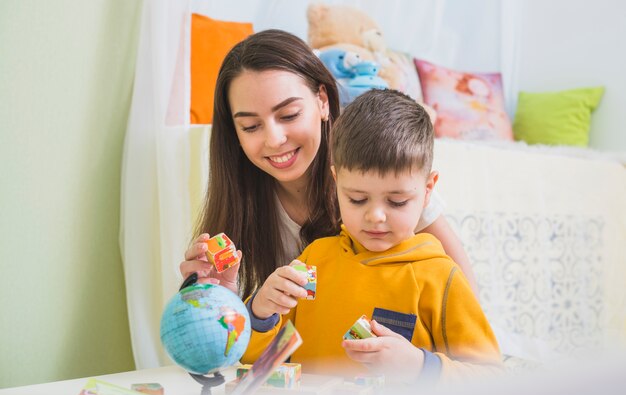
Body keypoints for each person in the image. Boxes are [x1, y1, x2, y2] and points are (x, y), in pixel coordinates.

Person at [179, 29, 479, 301]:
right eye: (250, 126)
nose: (274, 139)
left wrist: (423, 362)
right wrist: (218, 299)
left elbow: (464, 296)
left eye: (289, 115)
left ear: (322, 101)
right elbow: (239, 338)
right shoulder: (240, 202)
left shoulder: (376, 165)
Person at [242, 89, 502, 382]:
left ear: (428, 190)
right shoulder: (314, 260)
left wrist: (420, 367)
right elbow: (258, 362)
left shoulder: (439, 277)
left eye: (397, 202)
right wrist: (260, 314)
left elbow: (490, 380)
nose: (376, 216)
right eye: (357, 199)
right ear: (337, 181)